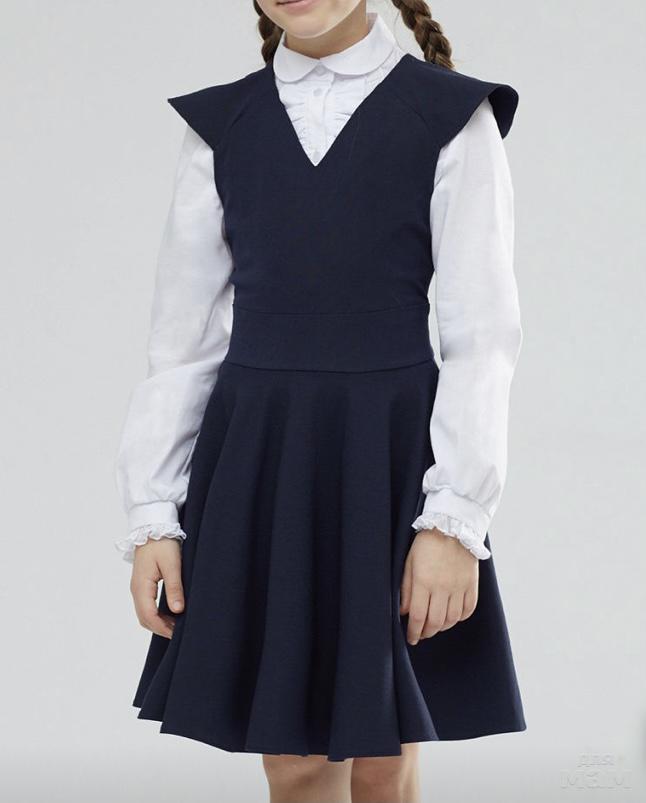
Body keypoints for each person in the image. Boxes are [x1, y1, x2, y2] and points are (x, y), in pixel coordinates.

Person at [114, 1, 526, 801]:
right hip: (262, 461)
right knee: (295, 756)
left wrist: (455, 519)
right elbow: (183, 343)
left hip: (388, 461)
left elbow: (483, 336)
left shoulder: (450, 116)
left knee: (385, 754)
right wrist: (153, 513)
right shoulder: (223, 126)